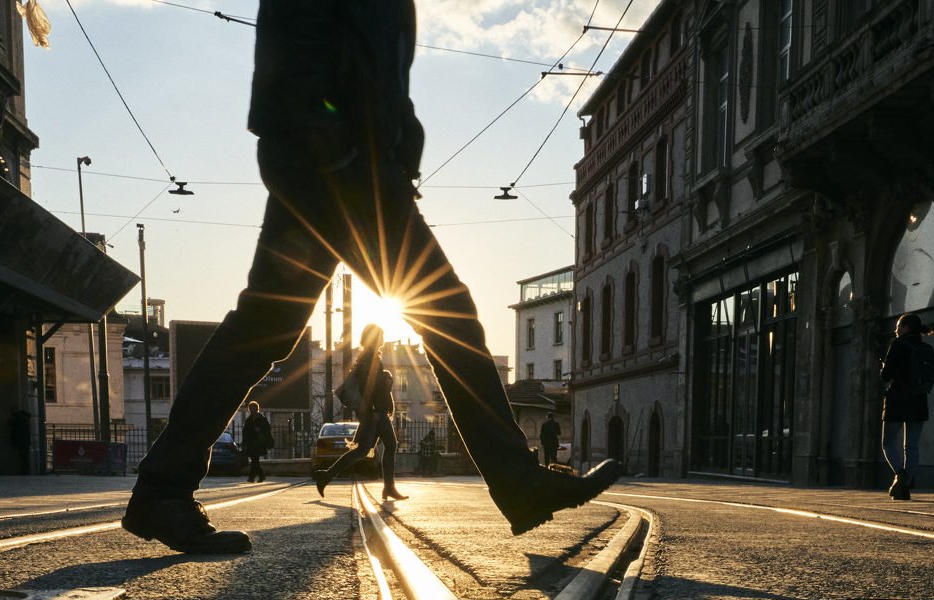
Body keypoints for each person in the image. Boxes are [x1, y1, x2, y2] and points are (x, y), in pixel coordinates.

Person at [120, 0, 621, 553]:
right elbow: (304, 31)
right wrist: (336, 149)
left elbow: (372, 62)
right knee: (445, 310)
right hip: (338, 161)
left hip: (337, 155)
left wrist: (394, 149)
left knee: (263, 326)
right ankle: (517, 481)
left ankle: (161, 490)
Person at [314, 324, 406, 500]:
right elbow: (368, 387)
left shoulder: (370, 358)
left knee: (365, 450)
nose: (383, 339)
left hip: (376, 412)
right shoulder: (368, 360)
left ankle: (327, 475)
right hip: (375, 413)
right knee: (379, 447)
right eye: (381, 335)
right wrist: (373, 409)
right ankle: (388, 487)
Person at [878, 312, 933, 501]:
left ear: (907, 327)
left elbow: (886, 376)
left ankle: (900, 477)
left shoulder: (898, 345)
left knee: (887, 444)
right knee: (911, 447)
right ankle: (905, 484)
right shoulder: (926, 348)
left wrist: (884, 366)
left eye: (899, 326)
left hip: (897, 400)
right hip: (918, 401)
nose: (896, 329)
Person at [241, 400, 274, 482]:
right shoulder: (249, 420)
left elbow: (267, 430)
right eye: (250, 408)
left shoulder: (262, 419)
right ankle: (260, 476)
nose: (252, 410)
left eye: (253, 408)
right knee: (255, 460)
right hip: (251, 443)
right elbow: (245, 431)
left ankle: (252, 477)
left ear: (256, 409)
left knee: (255, 459)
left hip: (259, 443)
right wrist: (244, 442)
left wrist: (259, 430)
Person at [8, 407, 34, 474]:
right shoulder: (25, 420)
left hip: (22, 441)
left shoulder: (20, 419)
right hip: (25, 441)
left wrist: (10, 421)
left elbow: (15, 426)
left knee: (23, 456)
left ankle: (25, 471)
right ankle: (26, 470)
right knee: (24, 456)